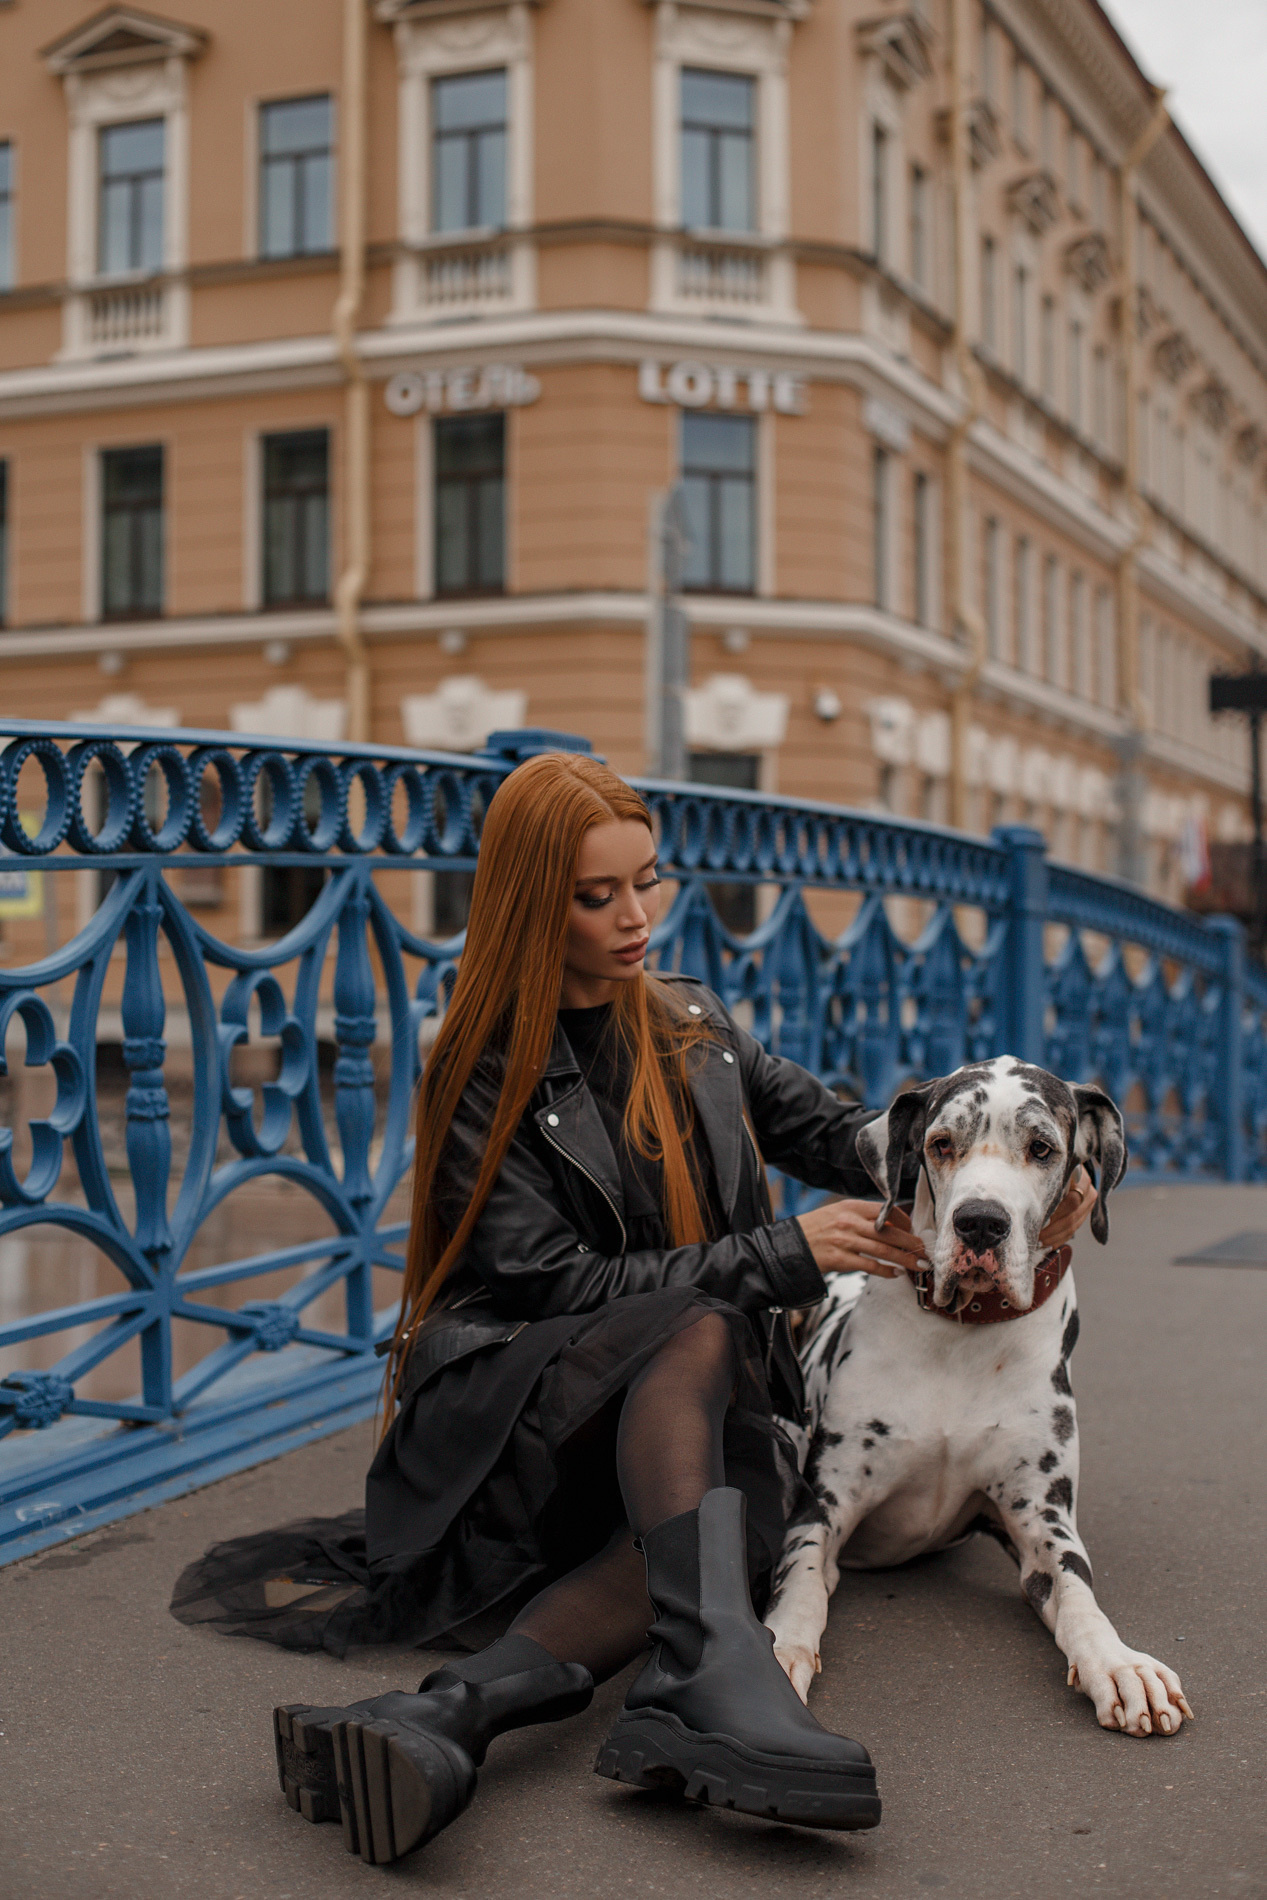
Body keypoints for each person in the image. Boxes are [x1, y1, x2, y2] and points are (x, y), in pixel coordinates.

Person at [175, 752, 1094, 1865]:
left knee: (751, 1508)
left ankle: (441, 1718)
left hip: (666, 1417)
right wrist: (776, 1254)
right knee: (705, 1325)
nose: (635, 917)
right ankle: (713, 1678)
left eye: (644, 882)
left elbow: (832, 1130)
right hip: (524, 1407)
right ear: (529, 901)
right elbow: (548, 1284)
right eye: (595, 895)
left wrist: (977, 1164)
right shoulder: (484, 1064)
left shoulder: (693, 1024)